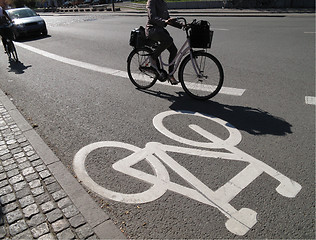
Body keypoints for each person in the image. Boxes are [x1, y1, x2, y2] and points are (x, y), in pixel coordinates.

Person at [145, 0, 179, 85]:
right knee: (168, 40)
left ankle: (170, 75)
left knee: (174, 50)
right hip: (152, 29)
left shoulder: (163, 3)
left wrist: (182, 25)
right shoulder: (151, 1)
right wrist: (164, 21)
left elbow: (168, 19)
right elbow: (152, 17)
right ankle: (153, 56)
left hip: (160, 30)